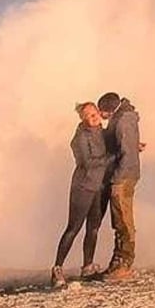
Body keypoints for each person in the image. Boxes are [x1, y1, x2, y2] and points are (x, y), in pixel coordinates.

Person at [51, 101, 110, 287]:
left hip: (98, 186)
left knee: (93, 227)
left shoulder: (101, 132)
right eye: (89, 116)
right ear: (83, 120)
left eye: (95, 114)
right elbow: (87, 162)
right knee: (74, 227)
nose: (94, 118)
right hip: (83, 187)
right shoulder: (80, 138)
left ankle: (87, 266)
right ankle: (57, 269)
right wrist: (114, 157)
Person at [97, 91, 142, 280]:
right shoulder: (124, 118)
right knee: (120, 219)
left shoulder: (123, 121)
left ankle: (124, 264)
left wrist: (117, 178)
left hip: (123, 177)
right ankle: (118, 262)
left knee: (123, 220)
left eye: (101, 112)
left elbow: (128, 155)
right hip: (124, 175)